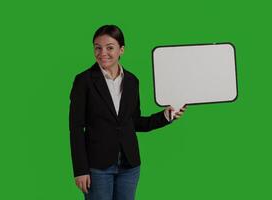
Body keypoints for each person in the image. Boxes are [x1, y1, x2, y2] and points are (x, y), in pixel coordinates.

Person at [69, 24, 186, 200]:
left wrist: (165, 116)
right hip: (97, 167)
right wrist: (80, 170)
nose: (103, 53)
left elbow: (134, 122)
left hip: (129, 165)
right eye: (97, 48)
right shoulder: (83, 81)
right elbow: (76, 128)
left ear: (121, 50)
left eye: (110, 48)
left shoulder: (132, 81)